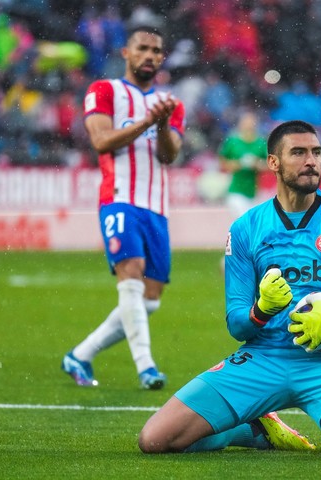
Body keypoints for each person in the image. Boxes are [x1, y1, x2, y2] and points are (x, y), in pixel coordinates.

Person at [138, 120, 321, 457]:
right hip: (263, 358)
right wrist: (261, 310)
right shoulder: (246, 228)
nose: (312, 161)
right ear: (273, 163)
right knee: (156, 440)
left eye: (316, 152)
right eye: (299, 152)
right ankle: (253, 429)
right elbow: (236, 323)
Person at [61, 25, 186, 389]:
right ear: (126, 54)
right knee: (130, 272)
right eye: (142, 48)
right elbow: (100, 141)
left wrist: (161, 124)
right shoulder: (104, 91)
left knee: (150, 300)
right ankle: (146, 367)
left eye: (156, 50)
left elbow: (169, 154)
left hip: (156, 207)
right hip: (119, 199)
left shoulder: (171, 104)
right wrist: (148, 121)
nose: (150, 55)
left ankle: (80, 355)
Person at [218, 110, 268, 219]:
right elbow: (222, 163)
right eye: (246, 123)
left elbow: (269, 165)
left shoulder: (260, 143)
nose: (249, 127)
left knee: (254, 225)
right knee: (244, 222)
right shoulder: (233, 142)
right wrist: (238, 164)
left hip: (254, 192)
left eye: (251, 124)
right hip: (236, 191)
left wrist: (257, 164)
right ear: (241, 125)